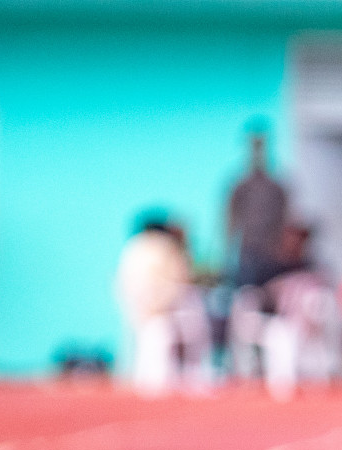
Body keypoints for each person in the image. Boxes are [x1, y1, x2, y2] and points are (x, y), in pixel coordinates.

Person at [114, 214, 212, 395]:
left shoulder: (133, 247)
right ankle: (182, 378)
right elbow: (180, 278)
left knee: (150, 341)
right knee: (164, 336)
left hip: (140, 306)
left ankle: (147, 381)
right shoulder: (163, 248)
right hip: (157, 307)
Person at [226, 124, 289, 290]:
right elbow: (230, 221)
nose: (257, 152)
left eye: (260, 147)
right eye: (254, 147)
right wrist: (227, 254)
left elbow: (285, 218)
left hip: (271, 254)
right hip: (247, 253)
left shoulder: (276, 188)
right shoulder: (241, 186)